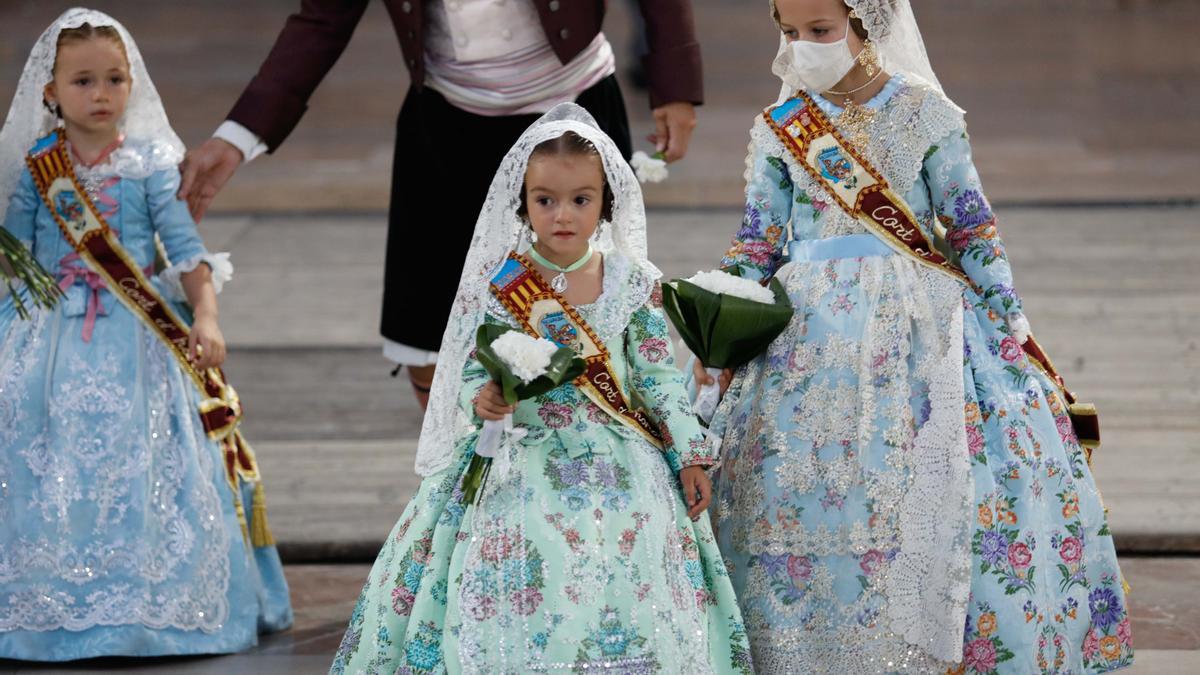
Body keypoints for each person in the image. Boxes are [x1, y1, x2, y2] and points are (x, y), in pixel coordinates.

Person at [695, 0, 1133, 671]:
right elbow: (757, 241)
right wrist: (718, 326)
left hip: (920, 328)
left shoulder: (927, 113)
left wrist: (1010, 320)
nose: (803, 46)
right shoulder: (780, 128)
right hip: (804, 339)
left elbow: (970, 227)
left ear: (867, 23)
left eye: (820, 30)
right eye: (788, 32)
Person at [330, 103, 753, 674]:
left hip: (621, 455)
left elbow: (656, 379)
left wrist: (688, 455)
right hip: (520, 453)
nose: (562, 215)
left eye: (581, 199)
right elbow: (471, 368)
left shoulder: (633, 282)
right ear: (523, 202)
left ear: (606, 202)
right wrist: (483, 400)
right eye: (545, 200)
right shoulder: (502, 282)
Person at [175, 0, 705, 408]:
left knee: (596, 325)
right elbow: (322, 18)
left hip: (571, 113)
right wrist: (238, 137)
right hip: (447, 120)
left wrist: (674, 84)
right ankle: (469, 517)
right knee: (429, 349)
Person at [0, 9, 292, 660]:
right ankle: (44, 600)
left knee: (146, 455)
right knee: (39, 446)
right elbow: (16, 252)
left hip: (135, 335)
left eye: (113, 79)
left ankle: (147, 607)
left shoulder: (152, 162)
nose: (100, 94)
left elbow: (185, 249)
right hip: (46, 332)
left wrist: (207, 316)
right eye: (82, 82)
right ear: (50, 93)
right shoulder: (39, 168)